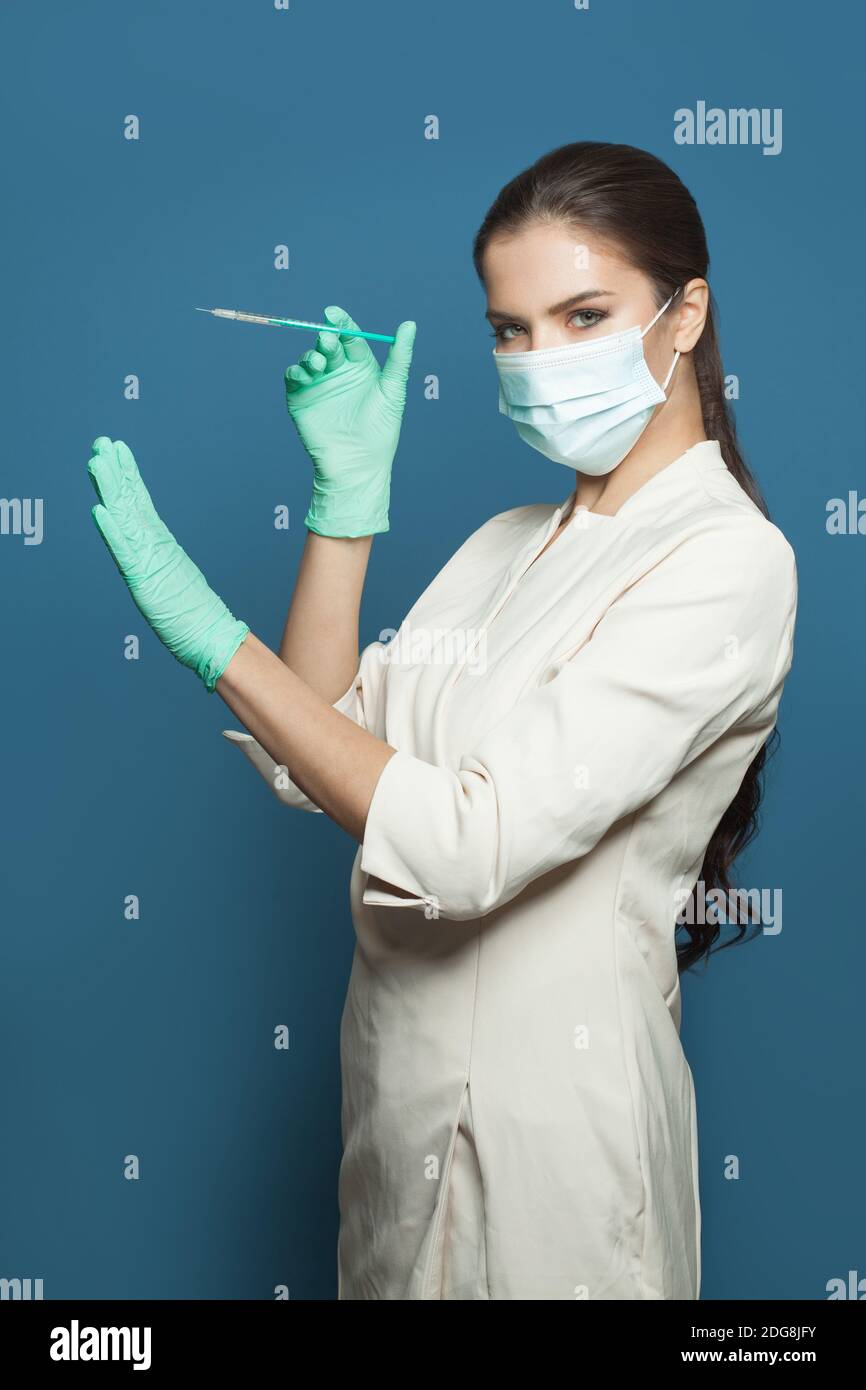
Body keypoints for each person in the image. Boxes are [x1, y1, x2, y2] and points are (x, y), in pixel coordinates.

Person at [87, 141, 798, 1301]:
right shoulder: (506, 543)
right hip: (393, 1114)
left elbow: (466, 845)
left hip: (557, 1151)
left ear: (684, 314)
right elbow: (314, 748)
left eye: (582, 315)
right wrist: (343, 509)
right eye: (509, 330)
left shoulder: (726, 562)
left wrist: (214, 637)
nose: (539, 359)